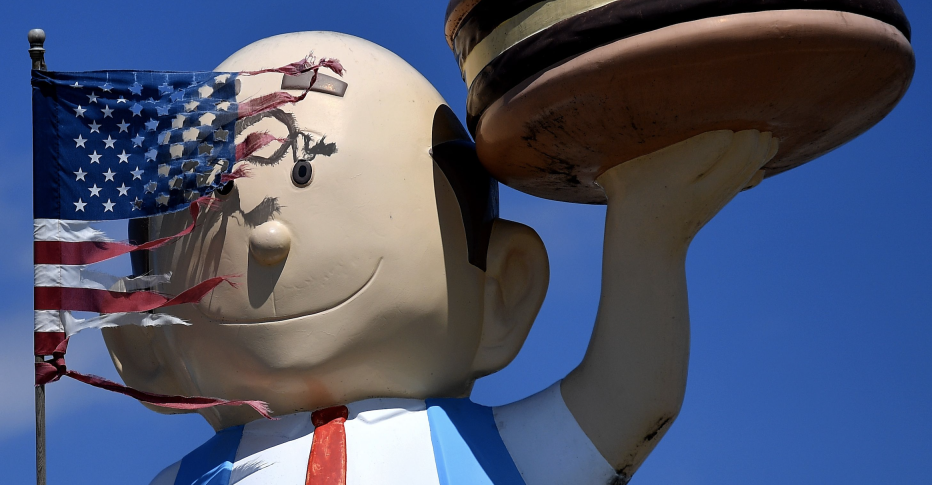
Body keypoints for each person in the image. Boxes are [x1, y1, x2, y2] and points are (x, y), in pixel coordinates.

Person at [103, 31, 776, 485]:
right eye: (224, 198)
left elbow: (629, 400)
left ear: (502, 290)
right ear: (145, 350)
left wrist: (649, 235)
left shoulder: (482, 455)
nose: (271, 240)